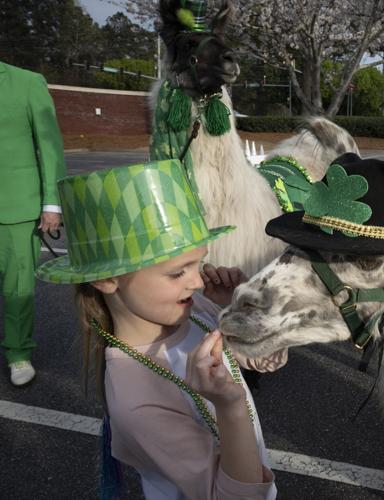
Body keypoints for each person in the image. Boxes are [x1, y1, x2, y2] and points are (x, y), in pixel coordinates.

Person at [36, 160, 284, 499]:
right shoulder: (137, 401)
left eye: (199, 263)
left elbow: (268, 361)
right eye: (177, 273)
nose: (197, 281)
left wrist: (235, 311)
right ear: (108, 279)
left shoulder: (195, 309)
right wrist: (230, 407)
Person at [0, 60, 66, 386]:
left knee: (17, 290)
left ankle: (18, 353)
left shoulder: (26, 83)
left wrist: (51, 203)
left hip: (15, 207)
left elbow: (50, 145)